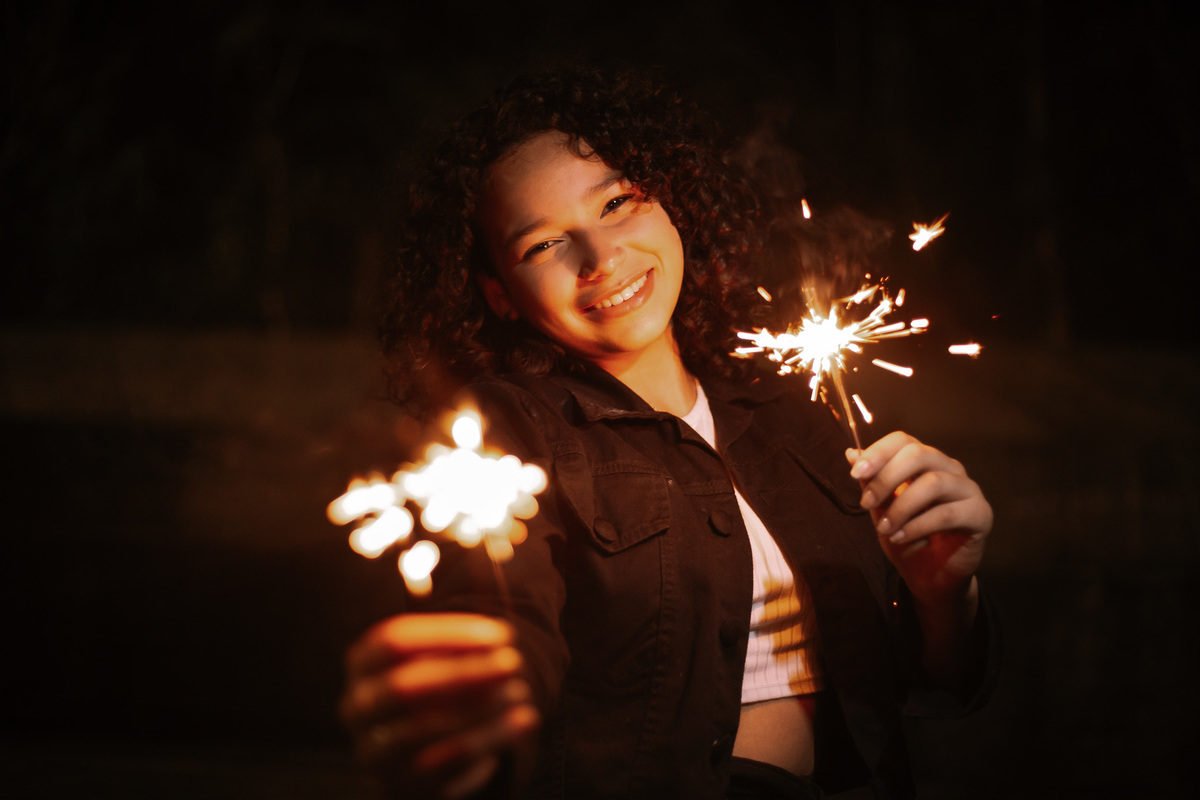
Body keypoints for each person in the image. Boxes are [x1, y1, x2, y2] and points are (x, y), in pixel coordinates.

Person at [339, 65, 998, 800]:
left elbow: (930, 683)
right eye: (542, 245)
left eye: (618, 203)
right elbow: (503, 614)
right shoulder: (511, 432)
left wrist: (946, 595)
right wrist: (475, 700)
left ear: (668, 201)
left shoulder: (797, 420)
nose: (601, 258)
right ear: (498, 293)